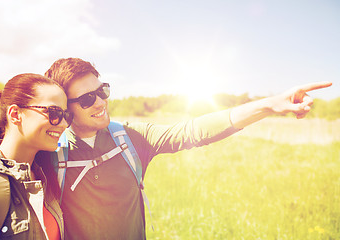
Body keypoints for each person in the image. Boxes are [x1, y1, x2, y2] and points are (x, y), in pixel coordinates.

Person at [41, 57, 332, 239]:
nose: (101, 102)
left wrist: (269, 105)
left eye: (102, 91)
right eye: (88, 99)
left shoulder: (128, 137)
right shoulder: (49, 155)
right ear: (66, 109)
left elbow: (193, 130)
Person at [0, 73, 73, 239]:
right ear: (15, 115)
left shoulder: (46, 173)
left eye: (66, 115)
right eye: (54, 113)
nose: (64, 124)